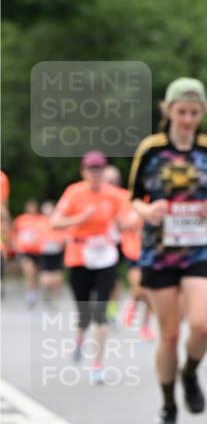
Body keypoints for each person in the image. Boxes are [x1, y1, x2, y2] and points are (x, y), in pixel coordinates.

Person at [129, 78, 207, 424]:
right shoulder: (151, 149)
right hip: (159, 252)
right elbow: (134, 197)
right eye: (181, 112)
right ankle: (168, 403)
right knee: (169, 334)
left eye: (194, 113)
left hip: (199, 248)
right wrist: (148, 211)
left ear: (204, 112)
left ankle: (190, 373)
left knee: (202, 325)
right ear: (168, 110)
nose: (187, 119)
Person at [52, 152, 127, 383]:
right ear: (84, 172)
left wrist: (125, 224)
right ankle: (79, 338)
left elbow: (128, 221)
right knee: (84, 311)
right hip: (79, 256)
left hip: (105, 256)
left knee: (100, 312)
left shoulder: (114, 195)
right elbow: (55, 222)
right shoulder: (74, 192)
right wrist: (78, 219)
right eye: (91, 169)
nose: (96, 174)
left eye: (99, 169)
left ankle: (97, 366)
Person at [103, 164, 154, 341]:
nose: (110, 184)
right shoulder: (105, 198)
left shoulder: (133, 197)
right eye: (107, 180)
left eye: (113, 180)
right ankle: (117, 311)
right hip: (123, 249)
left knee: (149, 290)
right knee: (135, 288)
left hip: (146, 248)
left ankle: (144, 325)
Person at [11, 199, 45, 307]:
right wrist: (15, 246)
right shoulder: (21, 220)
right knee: (29, 271)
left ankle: (35, 290)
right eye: (30, 207)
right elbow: (13, 233)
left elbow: (48, 233)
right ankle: (30, 293)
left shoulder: (42, 219)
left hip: (39, 250)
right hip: (25, 250)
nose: (32, 209)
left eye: (33, 207)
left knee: (36, 273)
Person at [37, 200, 65, 301]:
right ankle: (47, 291)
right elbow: (36, 235)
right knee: (45, 273)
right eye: (46, 208)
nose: (48, 210)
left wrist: (61, 243)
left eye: (49, 208)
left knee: (57, 273)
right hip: (44, 251)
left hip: (57, 250)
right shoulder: (39, 221)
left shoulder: (59, 220)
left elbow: (64, 234)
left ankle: (55, 295)